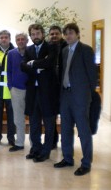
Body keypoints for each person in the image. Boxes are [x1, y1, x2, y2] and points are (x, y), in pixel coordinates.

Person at [54, 23, 97, 176]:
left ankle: (86, 163)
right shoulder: (65, 50)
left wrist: (86, 94)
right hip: (65, 95)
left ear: (78, 34)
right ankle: (67, 158)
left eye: (71, 33)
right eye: (66, 34)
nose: (68, 36)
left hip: (80, 96)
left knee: (83, 130)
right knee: (65, 128)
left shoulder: (85, 50)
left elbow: (92, 76)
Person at [21, 24, 58, 162]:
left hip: (48, 92)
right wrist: (39, 65)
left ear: (43, 34)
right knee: (34, 123)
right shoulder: (28, 49)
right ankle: (35, 148)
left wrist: (33, 63)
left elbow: (50, 63)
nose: (35, 36)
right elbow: (23, 66)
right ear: (30, 36)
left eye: (38, 33)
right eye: (33, 34)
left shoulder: (52, 46)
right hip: (33, 92)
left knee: (49, 124)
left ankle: (45, 151)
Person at [0, 30, 16, 147]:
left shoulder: (15, 52)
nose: (4, 39)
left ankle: (11, 138)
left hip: (11, 91)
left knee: (12, 117)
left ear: (9, 39)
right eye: (1, 37)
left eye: (6, 37)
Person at [7, 32, 29, 152]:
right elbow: (9, 71)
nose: (20, 41)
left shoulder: (31, 52)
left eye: (22, 39)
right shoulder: (11, 53)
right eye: (18, 39)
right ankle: (19, 143)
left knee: (34, 118)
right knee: (18, 118)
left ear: (27, 40)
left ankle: (34, 144)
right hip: (16, 89)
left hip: (31, 90)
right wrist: (10, 86)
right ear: (15, 41)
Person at [48, 25, 68, 149]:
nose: (54, 36)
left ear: (61, 34)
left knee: (66, 117)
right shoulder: (47, 47)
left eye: (56, 33)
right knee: (51, 117)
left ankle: (66, 143)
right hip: (50, 88)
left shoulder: (67, 46)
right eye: (52, 34)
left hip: (64, 88)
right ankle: (52, 141)